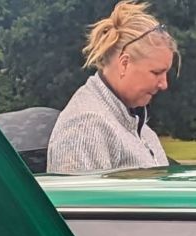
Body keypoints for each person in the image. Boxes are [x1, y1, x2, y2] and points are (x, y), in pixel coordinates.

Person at [46, 1, 175, 174]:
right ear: (124, 64)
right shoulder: (86, 127)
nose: (164, 84)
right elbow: (77, 201)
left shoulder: (139, 126)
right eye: (156, 72)